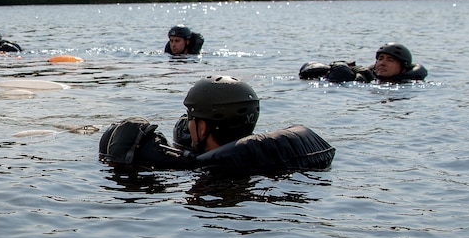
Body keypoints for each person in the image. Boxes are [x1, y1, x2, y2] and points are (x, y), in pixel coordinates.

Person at [99, 75, 335, 172]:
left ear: (202, 128)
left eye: (191, 119)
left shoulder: (205, 174)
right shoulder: (266, 159)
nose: (187, 124)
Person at [299, 42, 427, 83]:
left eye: (390, 60)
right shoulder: (365, 74)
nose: (382, 63)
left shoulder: (406, 85)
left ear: (403, 68)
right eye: (380, 59)